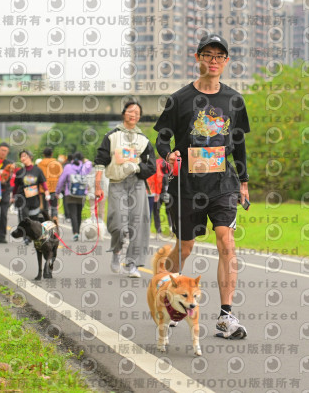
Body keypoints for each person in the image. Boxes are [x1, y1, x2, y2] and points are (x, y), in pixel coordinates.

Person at [153, 33, 251, 339]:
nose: (213, 61)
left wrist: (244, 182)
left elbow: (239, 145)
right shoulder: (180, 99)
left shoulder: (234, 100)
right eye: (208, 55)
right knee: (185, 247)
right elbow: (162, 138)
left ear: (226, 61)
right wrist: (168, 154)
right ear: (198, 58)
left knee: (226, 242)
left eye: (219, 56)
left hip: (223, 183)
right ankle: (169, 298)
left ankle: (226, 316)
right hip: (187, 185)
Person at [94, 101, 156, 278]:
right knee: (118, 225)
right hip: (117, 182)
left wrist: (137, 167)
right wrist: (97, 186)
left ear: (139, 116)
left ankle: (132, 264)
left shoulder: (143, 140)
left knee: (138, 224)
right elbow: (100, 161)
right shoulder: (111, 136)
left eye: (137, 112)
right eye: (130, 111)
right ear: (123, 113)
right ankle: (116, 250)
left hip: (137, 183)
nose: (133, 114)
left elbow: (151, 166)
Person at [56, 151, 92, 241]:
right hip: (82, 194)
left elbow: (61, 180)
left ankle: (75, 233)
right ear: (82, 159)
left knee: (73, 214)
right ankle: (78, 232)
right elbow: (90, 163)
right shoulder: (84, 166)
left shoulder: (68, 167)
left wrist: (57, 192)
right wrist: (85, 160)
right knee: (79, 213)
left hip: (70, 194)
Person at [13, 149, 51, 233]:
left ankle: (33, 234)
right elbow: (16, 186)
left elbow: (43, 182)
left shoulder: (37, 170)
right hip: (22, 199)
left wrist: (46, 192)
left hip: (34, 199)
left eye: (25, 156)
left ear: (30, 157)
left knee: (34, 219)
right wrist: (13, 196)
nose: (23, 158)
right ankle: (26, 236)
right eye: (21, 157)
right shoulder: (19, 172)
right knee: (24, 218)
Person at [146, 157, 172, 233]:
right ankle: (171, 227)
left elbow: (158, 177)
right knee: (169, 210)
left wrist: (157, 192)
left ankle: (158, 229)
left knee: (156, 211)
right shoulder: (170, 162)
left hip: (156, 190)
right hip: (165, 189)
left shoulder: (156, 162)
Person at [38, 147, 63, 223]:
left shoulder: (40, 164)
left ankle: (47, 222)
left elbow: (38, 176)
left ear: (43, 154)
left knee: (44, 208)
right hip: (54, 188)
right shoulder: (57, 164)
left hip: (43, 189)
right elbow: (61, 176)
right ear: (52, 154)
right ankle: (54, 217)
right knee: (54, 206)